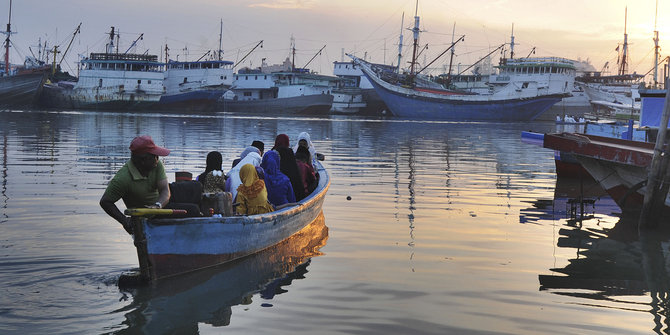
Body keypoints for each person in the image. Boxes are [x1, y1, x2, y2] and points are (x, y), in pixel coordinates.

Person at [99, 135, 170, 234]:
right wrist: (124, 220)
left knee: (193, 197)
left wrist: (157, 205)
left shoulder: (157, 165)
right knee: (193, 210)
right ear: (143, 160)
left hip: (161, 205)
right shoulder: (122, 178)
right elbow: (105, 202)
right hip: (145, 216)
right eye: (154, 156)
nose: (157, 158)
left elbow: (165, 190)